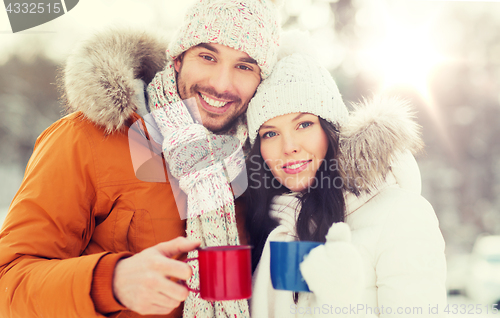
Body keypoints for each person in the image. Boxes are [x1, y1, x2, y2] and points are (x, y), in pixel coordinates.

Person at [0, 0, 280, 317]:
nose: (220, 84)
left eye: (244, 66)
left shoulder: (262, 157)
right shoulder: (86, 138)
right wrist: (112, 281)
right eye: (207, 56)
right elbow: (8, 283)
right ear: (177, 59)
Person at [244, 53, 447, 317]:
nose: (289, 146)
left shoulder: (402, 214)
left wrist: (339, 306)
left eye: (304, 124)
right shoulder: (270, 224)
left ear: (332, 130)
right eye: (270, 133)